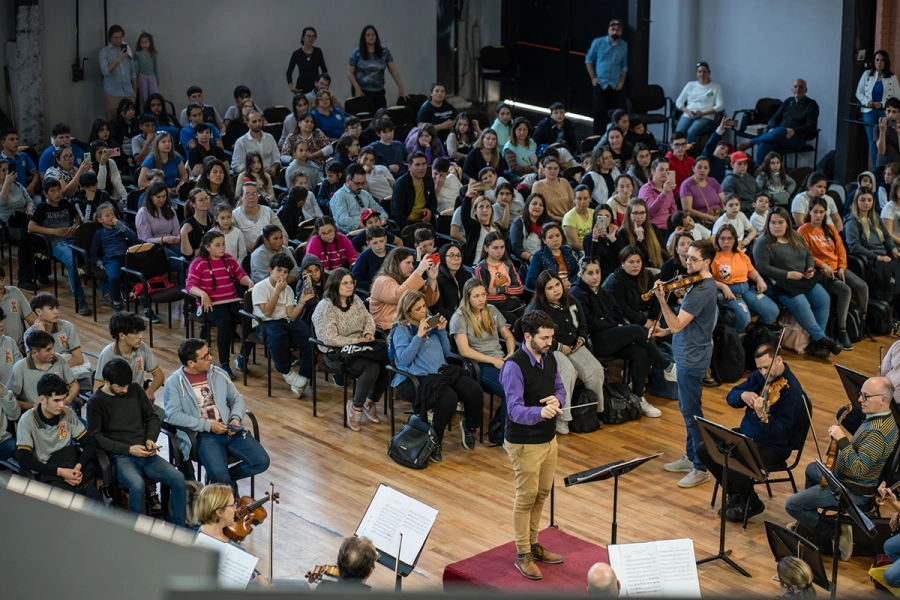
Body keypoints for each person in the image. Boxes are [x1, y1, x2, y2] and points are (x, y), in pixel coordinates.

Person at [785, 376, 898, 560]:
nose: (860, 399)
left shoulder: (877, 432)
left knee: (792, 504)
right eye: (861, 394)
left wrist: (842, 439)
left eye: (866, 396)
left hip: (853, 490)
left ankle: (835, 533)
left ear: (883, 400)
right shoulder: (882, 417)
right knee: (812, 469)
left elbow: (860, 469)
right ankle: (812, 523)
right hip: (847, 478)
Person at [696, 343, 807, 521]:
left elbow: (782, 432)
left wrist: (764, 417)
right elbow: (731, 396)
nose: (763, 372)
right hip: (747, 436)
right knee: (705, 448)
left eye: (766, 367)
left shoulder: (792, 392)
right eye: (759, 368)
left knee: (734, 458)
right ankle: (737, 494)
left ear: (779, 360)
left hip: (773, 447)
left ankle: (753, 503)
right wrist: (743, 395)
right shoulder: (759, 377)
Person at [500, 309, 565, 579]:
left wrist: (557, 401)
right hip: (524, 442)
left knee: (541, 493)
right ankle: (523, 553)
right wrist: (540, 413)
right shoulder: (513, 366)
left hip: (549, 439)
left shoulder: (549, 357)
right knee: (526, 497)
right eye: (545, 337)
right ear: (528, 337)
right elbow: (514, 410)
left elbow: (559, 388)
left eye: (551, 336)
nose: (550, 342)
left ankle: (534, 542)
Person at [649, 240, 717, 487]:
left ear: (707, 262)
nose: (687, 263)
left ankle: (701, 468)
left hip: (692, 358)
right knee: (687, 410)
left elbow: (679, 323)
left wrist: (662, 300)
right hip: (687, 352)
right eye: (687, 258)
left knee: (692, 415)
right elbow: (684, 326)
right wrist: (665, 332)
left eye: (693, 259)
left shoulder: (701, 290)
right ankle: (690, 457)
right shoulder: (697, 283)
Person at [87, 358, 187, 525]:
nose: (126, 390)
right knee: (137, 484)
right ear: (107, 381)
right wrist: (128, 449)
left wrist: (150, 439)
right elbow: (96, 437)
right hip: (120, 456)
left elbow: (152, 417)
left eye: (127, 385)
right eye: (120, 386)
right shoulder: (96, 402)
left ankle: (179, 528)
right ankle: (140, 530)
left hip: (145, 453)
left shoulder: (135, 389)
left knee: (177, 478)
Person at [165, 338, 270, 493]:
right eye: (205, 356)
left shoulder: (219, 373)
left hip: (231, 429)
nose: (210, 358)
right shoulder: (174, 383)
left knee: (261, 461)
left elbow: (236, 398)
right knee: (219, 474)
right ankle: (228, 494)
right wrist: (208, 426)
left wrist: (235, 418)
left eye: (209, 353)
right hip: (204, 435)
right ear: (191, 363)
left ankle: (227, 481)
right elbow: (174, 416)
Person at [572, 257, 675, 414]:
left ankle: (639, 398)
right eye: (590, 273)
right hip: (593, 341)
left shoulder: (603, 291)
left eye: (598, 272)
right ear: (581, 274)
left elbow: (616, 314)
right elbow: (589, 323)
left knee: (640, 352)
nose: (595, 277)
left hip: (610, 336)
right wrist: (610, 323)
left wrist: (607, 321)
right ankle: (666, 365)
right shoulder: (577, 293)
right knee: (637, 330)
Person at [389, 290, 483, 461]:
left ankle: (469, 427)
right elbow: (405, 359)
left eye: (424, 306)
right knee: (448, 399)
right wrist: (418, 336)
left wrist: (441, 331)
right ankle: (435, 442)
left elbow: (446, 352)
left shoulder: (429, 322)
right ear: (408, 311)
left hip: (441, 371)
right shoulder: (401, 329)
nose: (423, 311)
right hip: (417, 377)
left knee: (474, 390)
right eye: (418, 309)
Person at [753, 207, 842, 356]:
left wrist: (810, 269)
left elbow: (808, 255)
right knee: (801, 304)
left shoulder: (795, 236)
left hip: (803, 278)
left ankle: (815, 343)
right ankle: (823, 339)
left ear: (787, 223)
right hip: (783, 283)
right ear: (768, 224)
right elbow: (763, 268)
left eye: (780, 222)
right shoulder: (763, 243)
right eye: (773, 222)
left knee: (823, 299)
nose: (776, 226)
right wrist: (788, 275)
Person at [526, 270, 606, 433]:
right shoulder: (537, 309)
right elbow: (536, 338)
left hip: (575, 345)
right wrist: (559, 347)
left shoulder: (572, 300)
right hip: (549, 350)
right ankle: (562, 417)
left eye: (557, 285)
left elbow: (583, 325)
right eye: (550, 288)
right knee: (567, 372)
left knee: (596, 370)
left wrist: (581, 339)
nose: (556, 289)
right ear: (542, 291)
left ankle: (595, 411)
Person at [312, 268, 388, 430]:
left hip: (360, 347)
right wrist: (355, 340)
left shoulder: (356, 301)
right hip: (336, 353)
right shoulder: (325, 307)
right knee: (372, 366)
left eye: (351, 282)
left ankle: (369, 401)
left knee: (387, 360)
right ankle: (356, 407)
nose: (350, 286)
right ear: (334, 284)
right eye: (345, 283)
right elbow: (329, 338)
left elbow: (369, 319)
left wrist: (367, 333)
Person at [195, 483, 308, 590]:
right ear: (219, 512)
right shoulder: (206, 548)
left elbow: (242, 562)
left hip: (253, 581)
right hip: (247, 590)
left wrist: (259, 576)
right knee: (302, 587)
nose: (236, 509)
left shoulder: (216, 532)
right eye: (233, 505)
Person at [15, 374, 101, 500]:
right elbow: (24, 459)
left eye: (63, 399)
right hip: (49, 473)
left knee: (96, 504)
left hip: (71, 467)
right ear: (42, 400)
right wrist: (60, 472)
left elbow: (89, 442)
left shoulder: (68, 413)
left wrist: (78, 467)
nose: (62, 405)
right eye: (56, 401)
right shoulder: (27, 421)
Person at [799, 198, 869, 351]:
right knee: (845, 290)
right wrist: (822, 265)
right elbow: (807, 255)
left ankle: (862, 322)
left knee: (862, 286)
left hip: (838, 268)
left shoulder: (830, 228)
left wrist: (842, 267)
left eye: (822, 212)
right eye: (815, 212)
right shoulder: (803, 230)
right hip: (821, 271)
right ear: (809, 211)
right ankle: (842, 330)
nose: (818, 215)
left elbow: (841, 250)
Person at [186, 230, 255, 379]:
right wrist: (203, 294)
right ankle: (224, 364)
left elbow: (240, 275)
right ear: (207, 247)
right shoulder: (199, 263)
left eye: (223, 244)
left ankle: (243, 357)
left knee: (251, 318)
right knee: (224, 321)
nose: (222, 247)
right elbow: (189, 285)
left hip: (231, 300)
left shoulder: (228, 259)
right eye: (218, 245)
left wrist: (249, 282)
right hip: (211, 304)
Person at [451, 277, 516, 411]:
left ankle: (500, 426)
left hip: (501, 359)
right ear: (468, 298)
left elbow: (508, 336)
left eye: (483, 295)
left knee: (525, 388)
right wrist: (493, 361)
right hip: (478, 364)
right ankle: (501, 431)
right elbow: (464, 351)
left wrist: (510, 354)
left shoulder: (491, 309)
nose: (481, 299)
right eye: (476, 296)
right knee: (512, 393)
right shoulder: (459, 317)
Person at [28, 178, 91, 316]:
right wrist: (53, 231)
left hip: (72, 238)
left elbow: (78, 217)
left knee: (95, 252)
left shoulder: (64, 203)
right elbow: (31, 227)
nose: (57, 193)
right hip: (56, 242)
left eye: (58, 190)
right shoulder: (42, 208)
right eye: (52, 191)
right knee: (72, 261)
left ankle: (106, 295)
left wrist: (74, 226)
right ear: (45, 194)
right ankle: (80, 299)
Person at [712, 224, 778, 332]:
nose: (726, 242)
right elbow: (706, 278)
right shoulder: (713, 256)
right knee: (744, 319)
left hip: (746, 290)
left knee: (772, 311)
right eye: (722, 238)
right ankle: (729, 340)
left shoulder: (739, 253)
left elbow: (750, 270)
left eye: (730, 238)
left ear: (735, 239)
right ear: (717, 239)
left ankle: (752, 337)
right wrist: (723, 287)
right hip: (729, 293)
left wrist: (759, 279)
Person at [738, 79, 820, 162]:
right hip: (778, 136)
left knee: (781, 130)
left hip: (796, 138)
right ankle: (759, 172)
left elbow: (811, 126)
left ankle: (752, 142)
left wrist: (794, 131)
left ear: (806, 90)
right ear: (792, 90)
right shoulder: (788, 101)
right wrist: (772, 128)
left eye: (801, 87)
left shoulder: (812, 105)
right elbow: (775, 117)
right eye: (795, 86)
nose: (798, 89)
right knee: (764, 144)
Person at [93, 312, 164, 400]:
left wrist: (149, 391)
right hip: (116, 401)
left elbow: (159, 375)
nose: (140, 336)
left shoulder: (143, 348)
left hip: (137, 399)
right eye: (135, 333)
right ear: (122, 336)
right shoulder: (108, 354)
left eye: (140, 332)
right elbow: (98, 385)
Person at [370, 247, 439, 330]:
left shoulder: (409, 281)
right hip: (390, 328)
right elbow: (399, 296)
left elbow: (428, 301)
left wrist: (432, 279)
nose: (412, 267)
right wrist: (420, 270)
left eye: (412, 263)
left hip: (413, 325)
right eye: (408, 263)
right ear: (395, 264)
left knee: (439, 327)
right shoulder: (381, 281)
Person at [91, 202, 141, 311]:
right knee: (113, 277)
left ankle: (137, 296)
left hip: (126, 256)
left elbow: (134, 238)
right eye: (107, 215)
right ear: (100, 220)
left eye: (112, 214)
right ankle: (116, 301)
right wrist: (98, 262)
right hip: (111, 258)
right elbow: (93, 252)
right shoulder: (99, 233)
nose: (111, 217)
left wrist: (121, 226)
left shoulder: (120, 227)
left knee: (139, 273)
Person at [347, 25, 408, 109]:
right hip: (362, 91)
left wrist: (400, 87)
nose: (371, 37)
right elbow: (350, 72)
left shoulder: (384, 50)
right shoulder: (357, 52)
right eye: (368, 35)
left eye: (373, 34)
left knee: (381, 116)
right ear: (364, 37)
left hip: (378, 90)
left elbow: (393, 69)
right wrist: (357, 88)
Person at [857, 50, 899, 171]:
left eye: (881, 60)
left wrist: (882, 104)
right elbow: (858, 92)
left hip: (885, 112)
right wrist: (867, 102)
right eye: (877, 60)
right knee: (873, 142)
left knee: (889, 139)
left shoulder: (892, 77)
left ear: (886, 62)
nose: (879, 63)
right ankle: (876, 171)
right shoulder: (867, 75)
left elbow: (896, 96)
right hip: (869, 112)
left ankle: (890, 170)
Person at [585, 19, 628, 135]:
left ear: (621, 32)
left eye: (618, 30)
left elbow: (624, 66)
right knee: (599, 113)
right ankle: (597, 138)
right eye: (613, 29)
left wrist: (622, 82)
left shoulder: (624, 45)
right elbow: (589, 60)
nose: (615, 32)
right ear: (608, 30)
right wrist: (593, 78)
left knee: (613, 114)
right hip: (600, 83)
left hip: (615, 84)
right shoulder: (598, 42)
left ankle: (611, 138)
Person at [135, 180, 184, 282]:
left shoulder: (169, 209)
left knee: (190, 257)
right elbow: (145, 239)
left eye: (164, 196)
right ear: (150, 197)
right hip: (153, 247)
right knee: (181, 263)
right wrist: (163, 239)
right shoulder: (143, 213)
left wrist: (177, 238)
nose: (162, 200)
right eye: (158, 197)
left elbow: (176, 231)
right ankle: (186, 293)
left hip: (170, 242)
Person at [474, 232, 525, 322]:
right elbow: (484, 296)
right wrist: (509, 296)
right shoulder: (481, 268)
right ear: (486, 248)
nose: (499, 251)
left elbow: (519, 289)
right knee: (516, 322)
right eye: (495, 248)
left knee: (531, 318)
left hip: (514, 304)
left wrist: (500, 290)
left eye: (502, 247)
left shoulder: (508, 264)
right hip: (494, 307)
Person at [330, 163, 388, 233]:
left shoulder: (364, 193)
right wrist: (366, 224)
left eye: (363, 183)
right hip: (352, 234)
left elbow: (379, 209)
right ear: (348, 180)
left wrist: (383, 219)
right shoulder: (339, 196)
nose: (361, 187)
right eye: (357, 184)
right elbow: (343, 220)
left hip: (372, 230)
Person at [674, 62, 724, 143]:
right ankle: (676, 154)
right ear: (696, 73)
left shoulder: (715, 87)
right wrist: (687, 111)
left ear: (709, 73)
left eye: (704, 72)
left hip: (706, 116)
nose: (702, 74)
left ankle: (692, 154)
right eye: (699, 72)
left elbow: (720, 106)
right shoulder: (690, 85)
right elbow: (678, 102)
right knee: (679, 132)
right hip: (689, 114)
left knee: (691, 132)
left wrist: (703, 113)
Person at [233, 181, 288, 252]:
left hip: (275, 250)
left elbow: (283, 232)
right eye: (247, 194)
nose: (251, 197)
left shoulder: (267, 211)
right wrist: (262, 248)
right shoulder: (234, 215)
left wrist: (281, 247)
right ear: (241, 197)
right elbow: (236, 240)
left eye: (254, 193)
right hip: (249, 253)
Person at [525, 222, 580, 290]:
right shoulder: (539, 255)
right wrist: (556, 285)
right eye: (550, 237)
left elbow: (577, 272)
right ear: (544, 240)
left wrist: (569, 282)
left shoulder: (567, 250)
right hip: (552, 291)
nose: (555, 240)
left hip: (570, 289)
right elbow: (530, 281)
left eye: (558, 235)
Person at [617, 198, 667, 270]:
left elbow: (663, 252)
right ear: (629, 214)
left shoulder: (653, 228)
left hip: (656, 269)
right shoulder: (622, 233)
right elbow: (630, 258)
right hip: (636, 272)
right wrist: (639, 239)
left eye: (642, 212)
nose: (639, 216)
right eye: (635, 213)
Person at [99, 25, 136, 120]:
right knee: (112, 121)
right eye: (116, 37)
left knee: (130, 121)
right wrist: (118, 59)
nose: (118, 40)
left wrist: (135, 91)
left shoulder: (127, 49)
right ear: (110, 37)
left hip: (128, 92)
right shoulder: (104, 52)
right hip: (113, 94)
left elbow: (132, 71)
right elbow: (105, 71)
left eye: (120, 37)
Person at [390, 152, 435, 229]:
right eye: (417, 165)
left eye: (424, 164)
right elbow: (397, 212)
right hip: (406, 224)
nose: (421, 168)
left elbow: (433, 202)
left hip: (425, 222)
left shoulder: (429, 180)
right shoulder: (401, 184)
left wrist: (430, 211)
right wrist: (411, 228)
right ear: (409, 167)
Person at [680, 156, 724, 226]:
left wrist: (724, 215)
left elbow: (724, 202)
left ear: (709, 170)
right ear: (693, 168)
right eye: (699, 167)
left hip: (719, 217)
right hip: (702, 222)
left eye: (706, 168)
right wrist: (711, 218)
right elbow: (687, 210)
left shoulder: (713, 181)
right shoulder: (687, 185)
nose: (702, 170)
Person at [639, 158, 677, 239]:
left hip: (669, 227)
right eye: (661, 170)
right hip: (654, 228)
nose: (664, 173)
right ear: (653, 171)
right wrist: (664, 193)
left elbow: (673, 211)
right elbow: (651, 211)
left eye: (666, 170)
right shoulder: (646, 189)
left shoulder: (667, 188)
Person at [533, 155, 574, 224]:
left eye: (556, 168)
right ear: (543, 170)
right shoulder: (538, 186)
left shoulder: (564, 182)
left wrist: (570, 218)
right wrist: (563, 220)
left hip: (569, 219)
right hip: (550, 222)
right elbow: (540, 209)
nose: (552, 171)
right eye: (549, 168)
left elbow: (572, 202)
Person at [286, 27, 328, 94]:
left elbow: (324, 70)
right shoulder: (296, 54)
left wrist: (325, 86)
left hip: (316, 88)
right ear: (303, 37)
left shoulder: (318, 52)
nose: (310, 39)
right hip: (301, 88)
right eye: (308, 36)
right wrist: (291, 88)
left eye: (313, 36)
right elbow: (289, 72)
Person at [180, 188, 214, 260]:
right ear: (193, 204)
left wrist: (199, 250)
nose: (206, 202)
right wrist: (183, 234)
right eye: (201, 200)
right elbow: (189, 256)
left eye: (206, 198)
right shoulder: (187, 226)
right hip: (197, 263)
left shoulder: (213, 219)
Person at [503, 118, 539, 182]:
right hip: (519, 178)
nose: (522, 132)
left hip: (535, 175)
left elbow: (537, 160)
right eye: (519, 130)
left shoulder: (532, 143)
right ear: (514, 131)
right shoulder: (509, 147)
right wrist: (533, 170)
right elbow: (513, 168)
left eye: (525, 129)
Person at [876, 98, 900, 183]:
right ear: (885, 112)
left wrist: (898, 134)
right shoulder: (877, 128)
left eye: (894, 112)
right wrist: (882, 131)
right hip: (883, 166)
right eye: (888, 111)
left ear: (899, 113)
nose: (890, 115)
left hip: (897, 166)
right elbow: (881, 151)